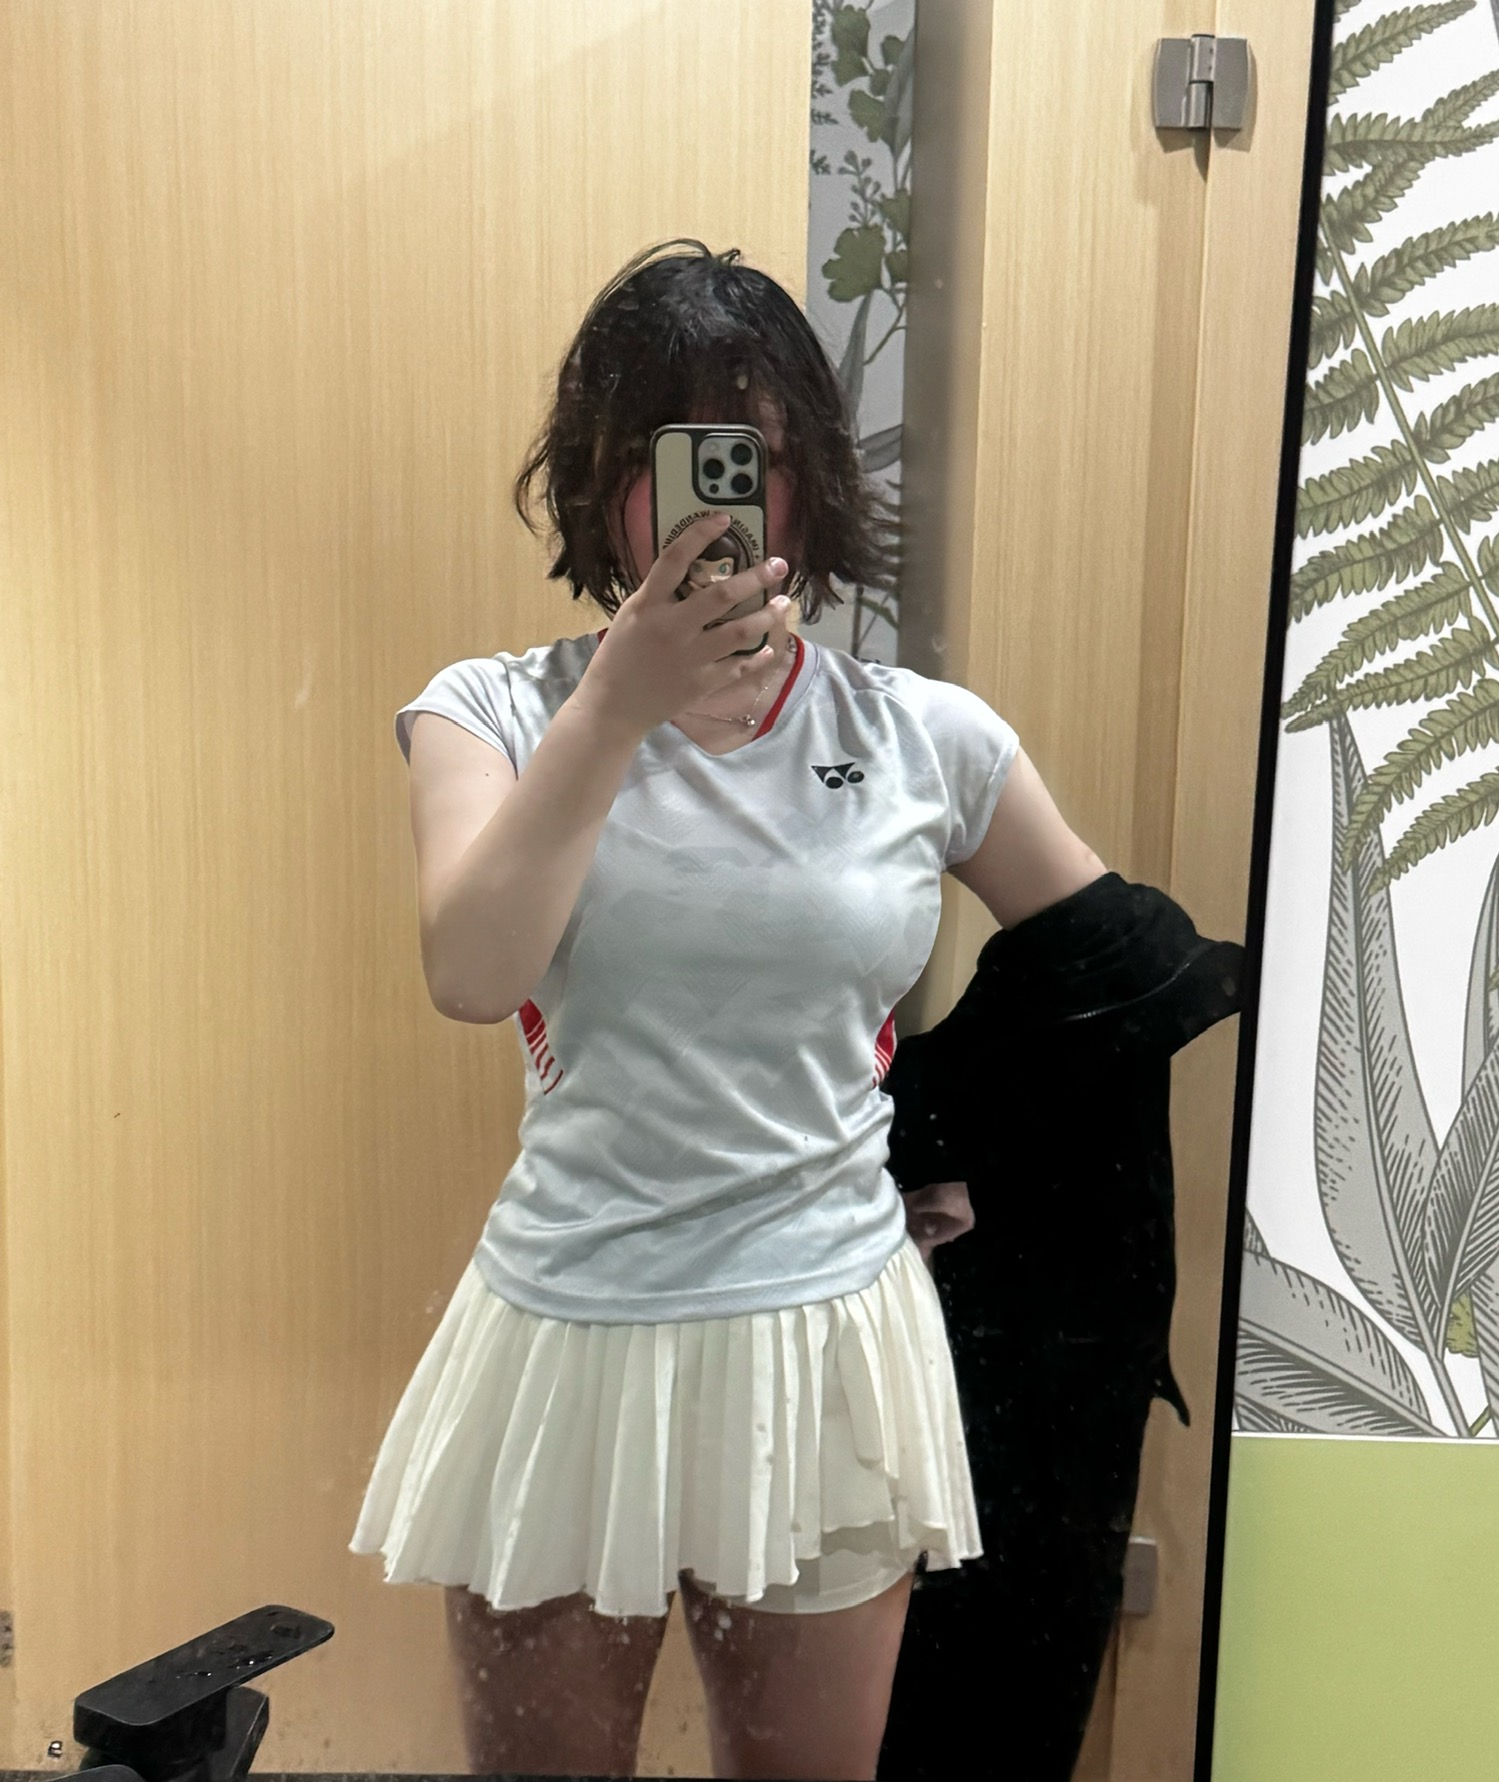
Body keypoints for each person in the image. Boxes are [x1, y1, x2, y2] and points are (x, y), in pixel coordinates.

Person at [349, 239, 1108, 1781]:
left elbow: (1114, 972)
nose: (706, 499)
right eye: (663, 457)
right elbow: (473, 970)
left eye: (748, 458)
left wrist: (945, 1129)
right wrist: (617, 701)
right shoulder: (488, 711)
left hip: (829, 1338)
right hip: (569, 1334)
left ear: (807, 484)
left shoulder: (924, 737)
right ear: (598, 484)